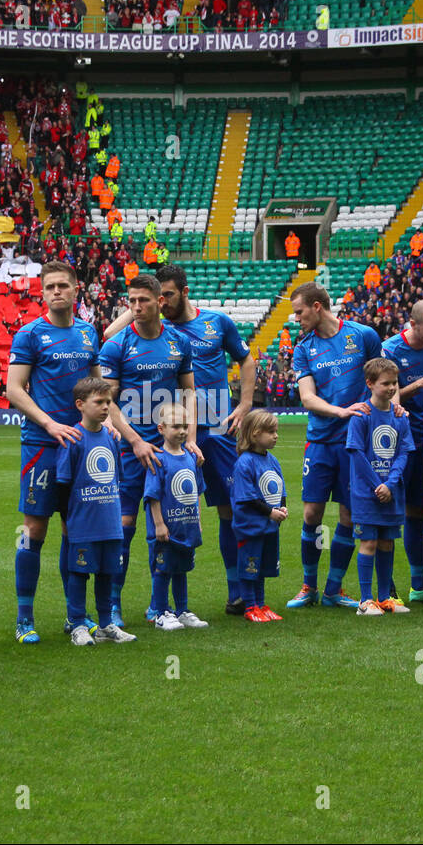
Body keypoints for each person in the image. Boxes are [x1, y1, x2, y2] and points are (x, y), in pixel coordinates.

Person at [102, 264, 256, 616]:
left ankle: (237, 592)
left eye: (166, 295)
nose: (163, 301)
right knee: (153, 515)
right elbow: (109, 334)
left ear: (182, 292)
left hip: (214, 424)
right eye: (157, 296)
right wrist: (140, 303)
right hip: (163, 427)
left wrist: (245, 404)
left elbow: (246, 360)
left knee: (227, 507)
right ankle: (122, 605)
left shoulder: (215, 323)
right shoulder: (153, 329)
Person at [6, 261, 103, 644]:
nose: (57, 291)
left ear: (77, 289)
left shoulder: (86, 332)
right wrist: (49, 424)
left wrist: (106, 421)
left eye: (64, 285)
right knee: (34, 531)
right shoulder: (30, 334)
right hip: (42, 445)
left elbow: (97, 384)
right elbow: (15, 389)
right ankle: (24, 618)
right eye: (50, 286)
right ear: (42, 292)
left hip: (80, 446)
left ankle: (74, 615)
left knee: (76, 531)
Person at [99, 273, 195, 626]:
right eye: (132, 301)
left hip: (167, 450)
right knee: (123, 528)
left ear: (160, 302)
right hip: (129, 449)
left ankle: (161, 607)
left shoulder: (178, 342)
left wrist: (191, 439)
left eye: (143, 301)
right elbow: (107, 400)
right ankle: (112, 606)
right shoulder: (117, 345)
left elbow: (188, 395)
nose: (136, 307)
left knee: (167, 529)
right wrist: (135, 441)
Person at [286, 281, 385, 610]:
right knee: (312, 513)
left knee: (348, 514)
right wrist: (341, 411)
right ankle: (308, 586)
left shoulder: (363, 335)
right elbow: (307, 397)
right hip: (320, 440)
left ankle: (334, 589)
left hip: (355, 442)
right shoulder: (303, 349)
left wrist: (393, 405)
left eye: (299, 312)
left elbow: (383, 377)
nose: (295, 318)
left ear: (317, 307)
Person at [55, 377, 132, 645]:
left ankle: (105, 625)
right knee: (78, 573)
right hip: (83, 522)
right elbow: (62, 484)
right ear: (80, 404)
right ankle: (77, 623)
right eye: (99, 402)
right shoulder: (73, 439)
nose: (105, 407)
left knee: (107, 573)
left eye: (109, 402)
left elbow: (116, 479)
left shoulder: (112, 438)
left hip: (109, 521)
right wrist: (68, 520)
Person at [382, 298, 423, 603]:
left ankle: (420, 584)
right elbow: (386, 397)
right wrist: (419, 384)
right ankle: (385, 586)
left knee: (417, 513)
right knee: (388, 512)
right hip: (394, 441)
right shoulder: (392, 349)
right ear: (412, 324)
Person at [346, 358, 413, 616]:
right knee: (369, 543)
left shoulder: (400, 417)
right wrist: (378, 485)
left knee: (387, 543)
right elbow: (357, 454)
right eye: (385, 383)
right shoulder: (361, 416)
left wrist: (391, 483)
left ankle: (385, 597)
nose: (391, 388)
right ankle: (365, 600)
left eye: (394, 383)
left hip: (392, 492)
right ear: (370, 384)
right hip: (367, 494)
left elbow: (404, 453)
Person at [143, 401, 208, 630]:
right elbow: (153, 496)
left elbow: (197, 491)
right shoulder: (158, 458)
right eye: (175, 426)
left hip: (186, 527)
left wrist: (197, 521)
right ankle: (161, 613)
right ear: (161, 429)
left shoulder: (191, 457)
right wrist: (159, 524)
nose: (181, 431)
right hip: (166, 531)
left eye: (185, 426)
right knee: (163, 569)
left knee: (181, 569)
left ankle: (182, 611)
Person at [232, 409, 288, 622]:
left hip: (269, 526)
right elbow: (247, 498)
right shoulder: (245, 462)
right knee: (250, 566)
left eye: (276, 431)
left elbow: (280, 488)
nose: (276, 436)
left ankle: (261, 604)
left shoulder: (272, 460)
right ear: (255, 434)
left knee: (262, 567)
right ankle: (249, 606)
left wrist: (282, 507)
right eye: (271, 432)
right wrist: (270, 512)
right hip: (251, 526)